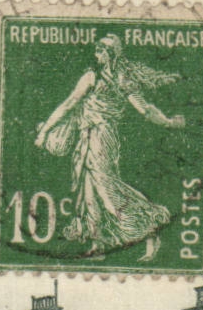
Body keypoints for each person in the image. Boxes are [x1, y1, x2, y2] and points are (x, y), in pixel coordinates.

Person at [34, 33, 186, 261]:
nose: (97, 54)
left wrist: (169, 122)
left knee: (106, 188)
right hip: (87, 137)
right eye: (96, 50)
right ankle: (98, 244)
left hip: (102, 137)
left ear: (110, 54)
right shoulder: (95, 77)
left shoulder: (114, 79)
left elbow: (144, 109)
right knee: (88, 190)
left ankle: (148, 228)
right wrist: (169, 122)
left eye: (101, 50)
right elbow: (69, 104)